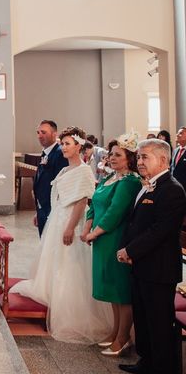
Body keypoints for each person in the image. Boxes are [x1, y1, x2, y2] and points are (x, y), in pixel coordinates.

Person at [12, 126, 112, 343]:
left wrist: (69, 227)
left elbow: (82, 201)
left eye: (67, 144)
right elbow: (57, 197)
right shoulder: (65, 170)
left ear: (79, 146)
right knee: (54, 260)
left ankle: (70, 307)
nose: (63, 147)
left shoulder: (84, 171)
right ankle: (52, 294)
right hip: (57, 218)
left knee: (70, 264)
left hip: (71, 222)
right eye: (63, 144)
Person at [117, 139, 186, 374]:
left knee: (158, 323)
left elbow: (160, 231)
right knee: (143, 318)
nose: (140, 161)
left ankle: (163, 368)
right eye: (139, 157)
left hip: (159, 268)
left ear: (163, 160)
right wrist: (127, 248)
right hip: (141, 264)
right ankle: (146, 362)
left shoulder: (173, 189)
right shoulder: (146, 185)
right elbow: (135, 222)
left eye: (145, 157)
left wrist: (130, 250)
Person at [81, 133, 142, 357]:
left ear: (130, 158)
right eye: (111, 154)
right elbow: (94, 204)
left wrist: (94, 233)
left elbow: (115, 212)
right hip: (100, 239)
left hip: (115, 238)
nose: (112, 158)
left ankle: (124, 337)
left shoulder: (129, 182)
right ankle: (115, 331)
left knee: (121, 290)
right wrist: (87, 228)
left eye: (118, 155)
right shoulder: (109, 179)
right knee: (111, 290)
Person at [33, 120, 69, 236]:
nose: (40, 135)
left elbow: (61, 185)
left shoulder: (60, 154)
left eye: (43, 132)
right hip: (42, 209)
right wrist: (38, 211)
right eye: (38, 132)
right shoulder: (46, 153)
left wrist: (54, 213)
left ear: (54, 134)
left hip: (52, 210)